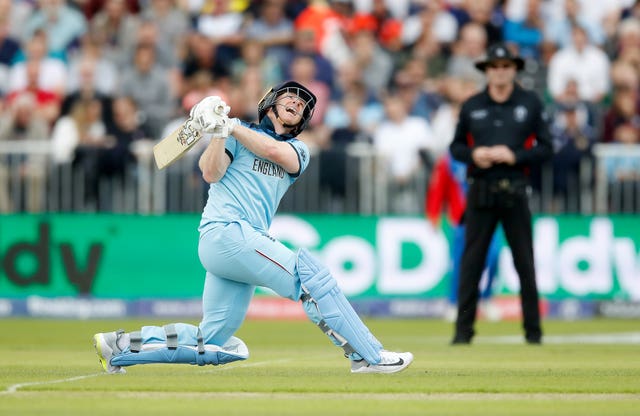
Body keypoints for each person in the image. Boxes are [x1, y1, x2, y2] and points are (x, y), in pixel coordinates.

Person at [93, 81, 413, 374]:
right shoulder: (235, 137)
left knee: (213, 341)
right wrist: (218, 133)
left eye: (302, 105)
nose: (296, 104)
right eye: (289, 97)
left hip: (233, 245)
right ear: (270, 103)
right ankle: (367, 355)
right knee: (310, 278)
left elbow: (273, 151)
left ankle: (120, 346)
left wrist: (229, 126)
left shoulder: (298, 150)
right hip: (226, 231)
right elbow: (210, 172)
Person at [448, 43, 552, 345]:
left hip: (515, 190)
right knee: (471, 264)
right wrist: (474, 154)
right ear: (487, 71)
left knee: (524, 262)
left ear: (514, 69)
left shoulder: (530, 103)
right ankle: (462, 333)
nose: (500, 72)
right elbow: (455, 147)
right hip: (480, 191)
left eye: (506, 66)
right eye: (494, 67)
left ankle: (533, 333)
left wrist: (515, 155)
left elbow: (546, 147)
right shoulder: (473, 105)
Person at [426, 152, 502, 323]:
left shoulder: (488, 150)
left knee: (494, 256)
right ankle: (454, 303)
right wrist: (433, 212)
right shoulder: (450, 159)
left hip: (489, 215)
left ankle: (487, 298)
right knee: (460, 263)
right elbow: (438, 185)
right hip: (461, 220)